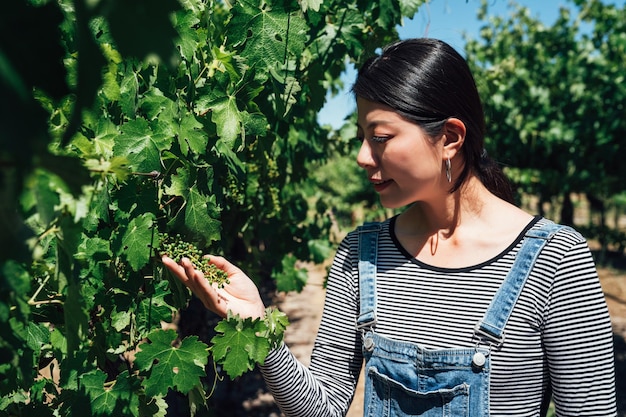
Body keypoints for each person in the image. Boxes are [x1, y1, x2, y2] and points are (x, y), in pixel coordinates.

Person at [162, 38, 617, 416]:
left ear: (451, 138)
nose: (362, 156)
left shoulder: (554, 259)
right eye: (361, 136)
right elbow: (323, 406)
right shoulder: (362, 252)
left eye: (379, 138)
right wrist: (259, 326)